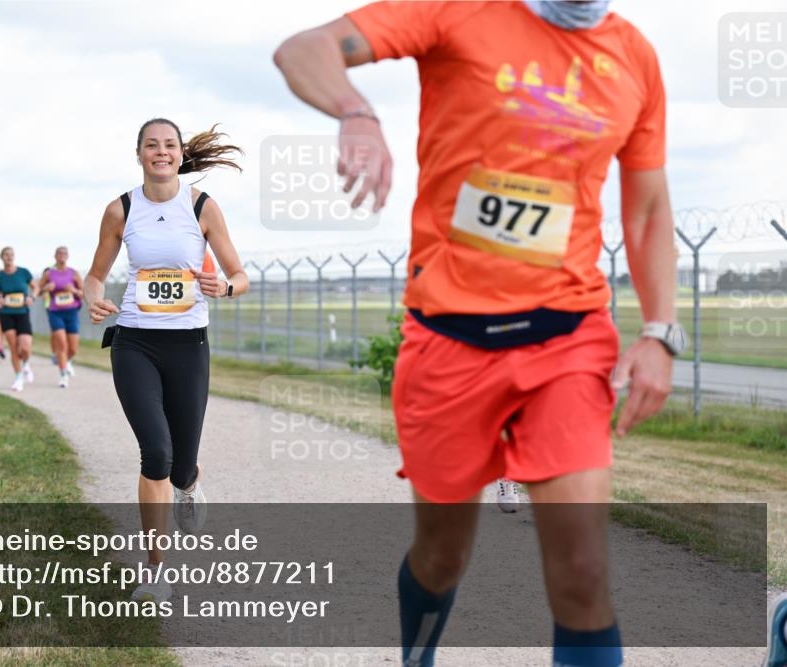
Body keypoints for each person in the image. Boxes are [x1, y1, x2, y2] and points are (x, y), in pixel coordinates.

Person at [275, 2, 685, 666]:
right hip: (448, 339)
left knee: (582, 567)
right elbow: (303, 48)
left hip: (568, 338)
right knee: (442, 555)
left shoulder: (634, 57)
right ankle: (417, 654)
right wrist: (357, 113)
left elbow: (647, 209)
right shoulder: (459, 9)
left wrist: (661, 331)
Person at [85, 118, 249, 603]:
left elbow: (239, 274)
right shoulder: (121, 209)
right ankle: (156, 571)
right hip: (135, 341)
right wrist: (94, 298)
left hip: (188, 346)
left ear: (180, 154)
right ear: (138, 154)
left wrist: (225, 286)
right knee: (156, 453)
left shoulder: (201, 206)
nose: (161, 152)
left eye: (169, 145)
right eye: (151, 146)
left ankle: (189, 483)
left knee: (181, 465)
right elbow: (95, 275)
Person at [0, 246, 37, 392]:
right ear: (2, 257)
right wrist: (0, 301)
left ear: (14, 256)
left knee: (25, 347)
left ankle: (26, 364)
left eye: (11, 255)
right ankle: (18, 378)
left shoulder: (23, 272)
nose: (9, 257)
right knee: (13, 346)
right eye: (6, 255)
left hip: (22, 312)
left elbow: (35, 287)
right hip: (7, 314)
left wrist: (32, 297)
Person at [39, 246, 83, 388]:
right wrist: (46, 288)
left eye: (64, 253)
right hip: (55, 312)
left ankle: (68, 362)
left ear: (68, 256)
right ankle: (63, 374)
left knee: (73, 348)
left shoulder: (74, 273)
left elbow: (83, 293)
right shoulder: (49, 274)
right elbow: (39, 291)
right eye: (59, 253)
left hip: (71, 312)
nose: (62, 255)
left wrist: (74, 290)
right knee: (61, 344)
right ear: (55, 256)